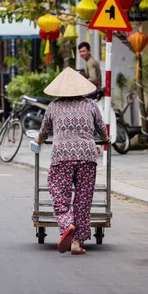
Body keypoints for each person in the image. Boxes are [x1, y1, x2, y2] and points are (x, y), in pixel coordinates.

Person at [34, 67, 109, 255]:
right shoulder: (91, 105)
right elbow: (101, 129)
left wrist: (38, 140)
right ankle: (76, 243)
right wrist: (105, 139)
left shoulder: (53, 106)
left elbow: (43, 132)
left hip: (62, 157)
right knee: (83, 200)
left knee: (60, 196)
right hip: (87, 156)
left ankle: (68, 224)